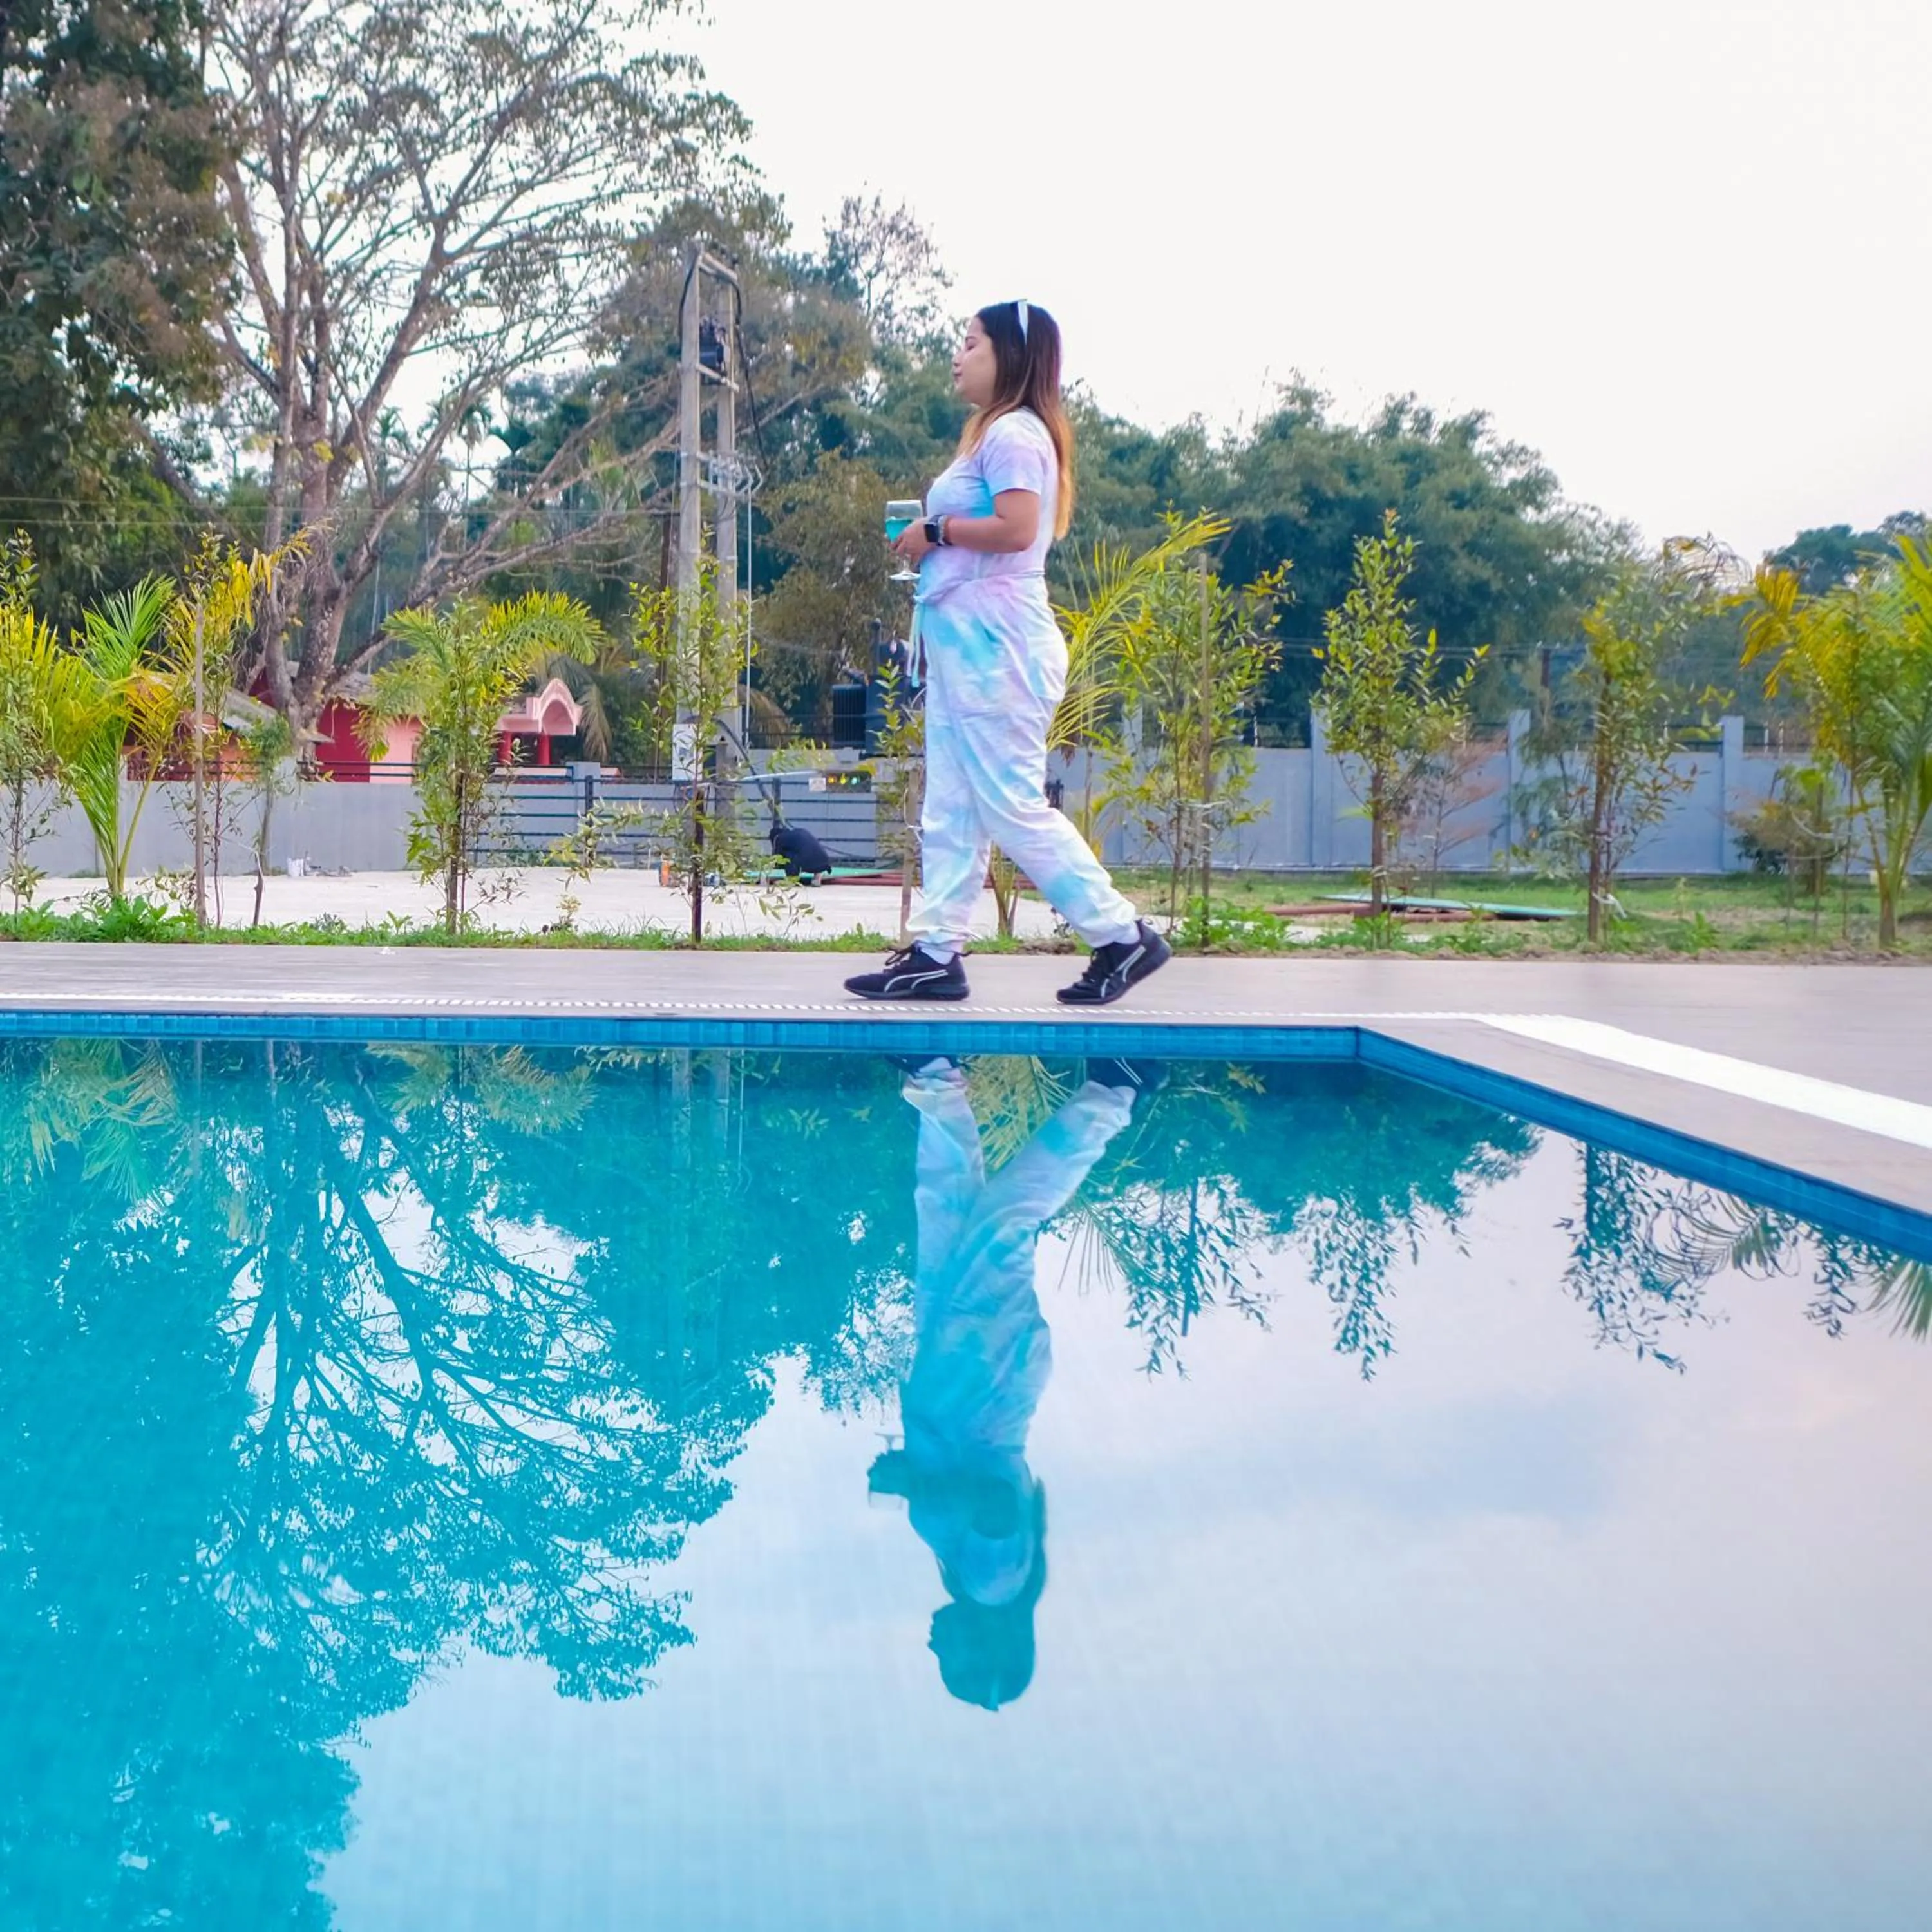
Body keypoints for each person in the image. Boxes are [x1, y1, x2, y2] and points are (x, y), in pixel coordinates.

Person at [843, 301, 1170, 1005]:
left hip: (999, 651)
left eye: (971, 343)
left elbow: (1019, 528)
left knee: (1012, 807)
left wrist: (936, 529)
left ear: (1010, 357)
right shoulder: (992, 435)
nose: (957, 355)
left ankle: (1121, 935)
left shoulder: (1018, 433)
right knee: (952, 810)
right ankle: (936, 953)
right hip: (967, 651)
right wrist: (934, 540)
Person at [868, 1054, 1160, 1709]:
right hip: (985, 1377)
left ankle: (939, 1083)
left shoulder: (974, 1581)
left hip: (954, 1372)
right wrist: (916, 1482)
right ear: (984, 1648)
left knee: (945, 1207)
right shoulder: (997, 1583)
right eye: (950, 1661)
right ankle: (1118, 1089)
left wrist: (918, 1474)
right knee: (1008, 1218)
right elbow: (997, 1501)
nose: (933, 1648)